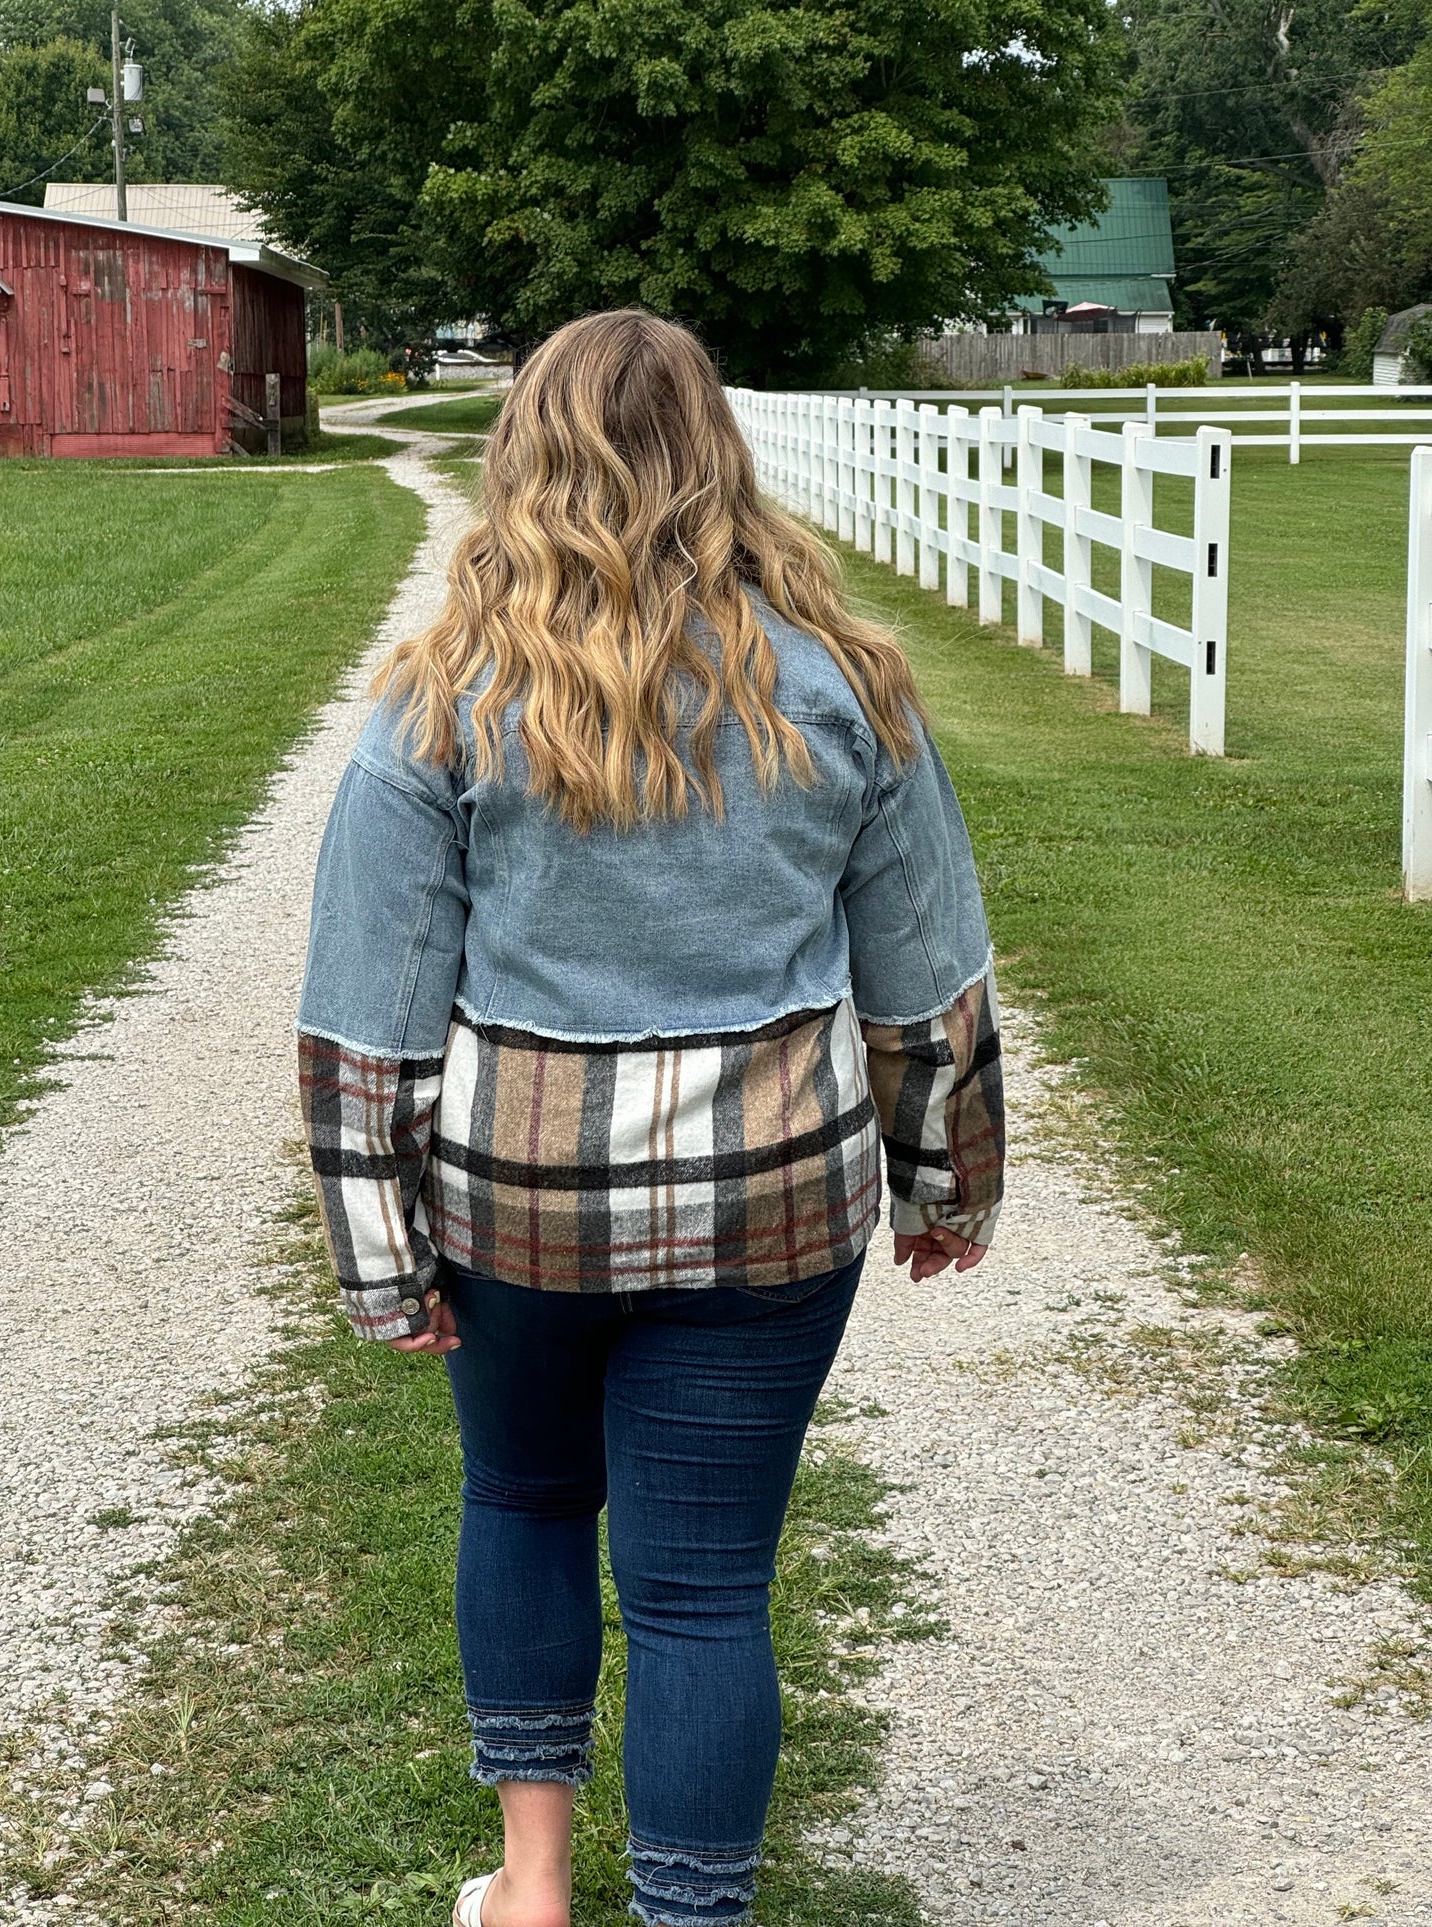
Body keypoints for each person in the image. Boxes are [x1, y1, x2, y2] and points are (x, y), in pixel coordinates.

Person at [297, 309, 1004, 1927]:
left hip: (517, 1211)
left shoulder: (443, 697)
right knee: (701, 1595)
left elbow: (368, 1010)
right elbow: (926, 978)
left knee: (525, 1503)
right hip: (769, 1215)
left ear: (523, 457)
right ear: (720, 457)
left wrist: (378, 1255)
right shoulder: (846, 686)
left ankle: (532, 1888)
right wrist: (942, 1182)